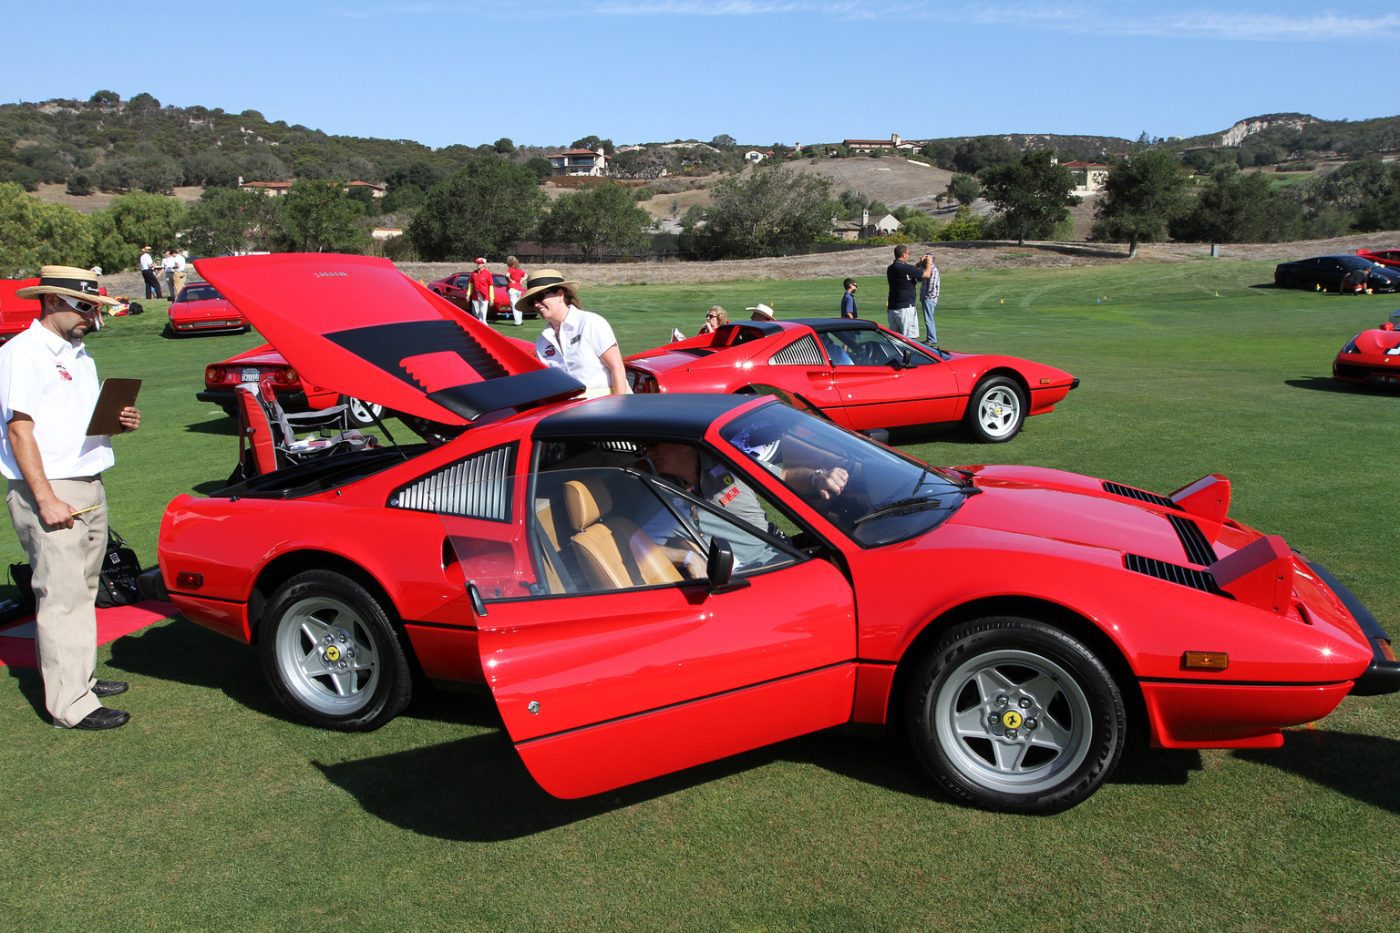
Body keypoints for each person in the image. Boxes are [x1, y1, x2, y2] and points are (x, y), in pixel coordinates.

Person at [0, 266, 141, 730]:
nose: (91, 316)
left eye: (94, 307)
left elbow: (75, 420)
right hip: (52, 488)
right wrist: (45, 500)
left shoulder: (79, 353)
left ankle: (78, 678)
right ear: (53, 302)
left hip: (87, 480)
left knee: (83, 590)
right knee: (59, 595)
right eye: (84, 307)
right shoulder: (23, 353)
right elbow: (20, 430)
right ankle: (70, 705)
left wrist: (118, 420)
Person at [638, 441, 778, 575]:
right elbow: (639, 545)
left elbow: (785, 478)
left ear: (681, 444)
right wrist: (687, 558)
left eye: (653, 445)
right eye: (644, 447)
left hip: (777, 553)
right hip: (747, 575)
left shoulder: (728, 462)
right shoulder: (665, 495)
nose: (648, 452)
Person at [519, 269, 629, 397]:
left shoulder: (590, 322)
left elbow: (617, 368)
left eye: (539, 297)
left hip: (606, 406)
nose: (536, 304)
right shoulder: (542, 340)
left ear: (560, 294)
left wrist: (619, 409)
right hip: (567, 412)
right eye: (532, 301)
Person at [885, 244, 927, 340]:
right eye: (908, 253)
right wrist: (928, 263)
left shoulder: (891, 268)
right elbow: (926, 275)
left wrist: (919, 263)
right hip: (906, 308)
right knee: (909, 340)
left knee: (895, 339)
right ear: (903, 254)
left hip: (893, 307)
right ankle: (908, 356)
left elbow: (910, 271)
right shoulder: (906, 268)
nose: (908, 255)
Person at [919, 253, 940, 346]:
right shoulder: (926, 269)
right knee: (928, 318)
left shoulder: (933, 269)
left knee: (929, 318)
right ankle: (930, 338)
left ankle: (932, 338)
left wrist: (927, 296)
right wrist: (920, 262)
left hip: (929, 298)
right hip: (926, 297)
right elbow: (919, 278)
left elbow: (932, 284)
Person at [467, 257, 494, 323]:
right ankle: (480, 321)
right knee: (475, 312)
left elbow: (491, 286)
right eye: (477, 263)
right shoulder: (473, 273)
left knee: (483, 312)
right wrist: (468, 294)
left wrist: (491, 298)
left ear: (484, 264)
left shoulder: (488, 274)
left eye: (479, 263)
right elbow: (470, 285)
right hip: (475, 296)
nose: (478, 264)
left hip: (484, 296)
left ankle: (483, 324)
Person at [505, 256, 526, 326]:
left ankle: (517, 322)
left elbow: (506, 275)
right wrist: (521, 281)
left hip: (512, 288)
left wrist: (511, 280)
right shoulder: (519, 270)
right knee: (518, 305)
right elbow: (526, 275)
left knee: (514, 305)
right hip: (519, 289)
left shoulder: (510, 269)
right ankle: (520, 320)